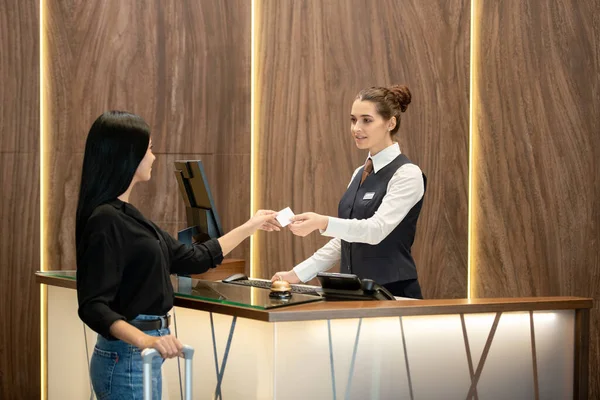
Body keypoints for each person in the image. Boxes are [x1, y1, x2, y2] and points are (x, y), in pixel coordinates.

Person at [76, 111, 280, 399]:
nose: (154, 157)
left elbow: (192, 258)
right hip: (130, 355)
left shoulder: (128, 215)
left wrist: (251, 226)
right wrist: (146, 340)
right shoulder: (105, 220)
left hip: (142, 354)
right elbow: (93, 305)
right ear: (128, 155)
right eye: (148, 149)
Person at [271, 85, 426, 299]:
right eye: (353, 120)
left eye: (366, 120)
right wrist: (297, 274)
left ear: (391, 122)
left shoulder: (407, 174)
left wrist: (323, 222)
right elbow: (346, 240)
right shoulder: (359, 173)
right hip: (355, 293)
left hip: (393, 294)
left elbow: (375, 230)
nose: (356, 128)